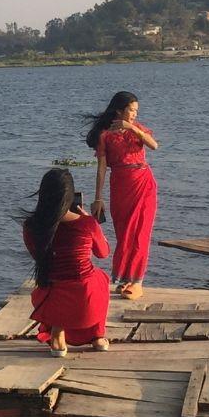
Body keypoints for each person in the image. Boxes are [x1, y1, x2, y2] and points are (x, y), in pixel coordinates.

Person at [22, 167, 111, 356]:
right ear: (70, 197)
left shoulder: (31, 226)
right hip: (84, 294)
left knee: (55, 284)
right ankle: (97, 336)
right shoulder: (86, 224)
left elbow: (38, 256)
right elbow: (103, 253)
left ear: (43, 195)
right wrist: (91, 222)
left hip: (53, 292)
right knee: (101, 278)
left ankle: (57, 334)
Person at [86, 91, 160, 301]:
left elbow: (154, 145)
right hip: (119, 184)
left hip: (143, 183)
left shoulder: (138, 129)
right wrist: (98, 197)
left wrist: (132, 128)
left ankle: (137, 281)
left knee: (140, 232)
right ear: (119, 110)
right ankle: (123, 279)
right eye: (131, 110)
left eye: (136, 110)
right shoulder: (105, 135)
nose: (135, 114)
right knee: (124, 233)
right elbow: (101, 168)